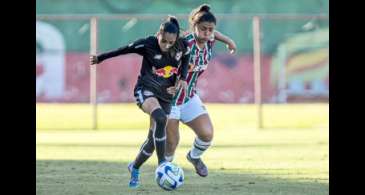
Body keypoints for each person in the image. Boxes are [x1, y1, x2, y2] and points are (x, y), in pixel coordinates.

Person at [90, 16, 190, 188]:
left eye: (170, 42)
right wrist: (100, 58)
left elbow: (187, 58)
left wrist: (183, 78)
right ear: (158, 33)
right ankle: (163, 165)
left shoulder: (181, 45)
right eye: (163, 41)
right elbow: (123, 50)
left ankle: (134, 166)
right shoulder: (148, 44)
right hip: (146, 89)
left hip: (166, 94)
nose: (166, 45)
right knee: (160, 118)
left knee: (153, 140)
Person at [165, 4, 237, 177]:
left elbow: (215, 35)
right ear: (194, 27)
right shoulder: (184, 43)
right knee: (172, 142)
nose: (207, 33)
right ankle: (165, 169)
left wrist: (229, 41)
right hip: (170, 100)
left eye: (210, 29)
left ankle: (194, 157)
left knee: (207, 134)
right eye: (203, 29)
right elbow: (165, 58)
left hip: (189, 97)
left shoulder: (210, 39)